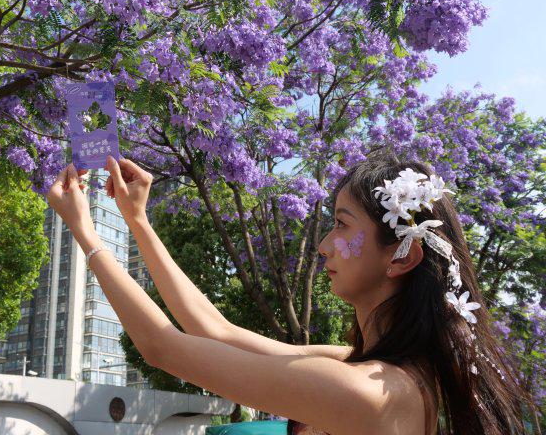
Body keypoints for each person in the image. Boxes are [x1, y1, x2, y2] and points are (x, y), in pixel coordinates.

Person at [47, 151, 537, 435]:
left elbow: (162, 347)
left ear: (402, 257)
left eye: (341, 226)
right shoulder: (367, 370)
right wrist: (137, 220)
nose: (323, 246)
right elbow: (213, 330)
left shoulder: (364, 389)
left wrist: (86, 233)